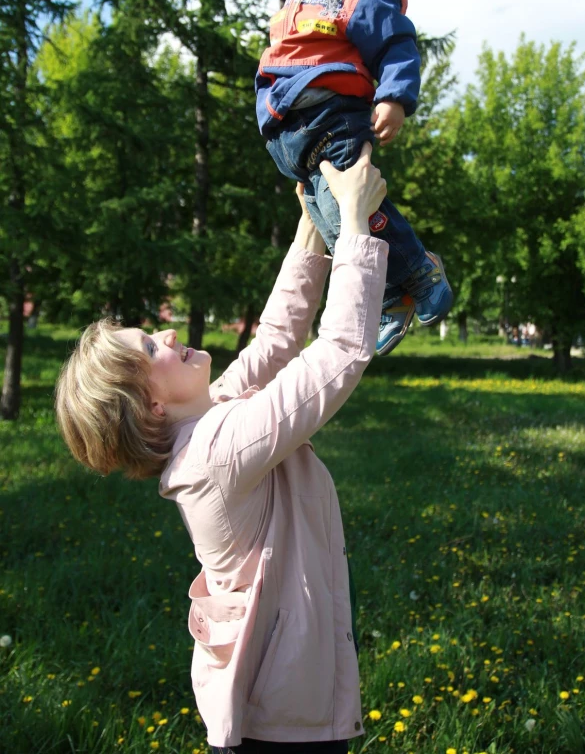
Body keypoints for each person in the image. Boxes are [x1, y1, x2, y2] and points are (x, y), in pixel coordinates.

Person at [56, 145, 388, 752]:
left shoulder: (208, 420)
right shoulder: (216, 453)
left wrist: (311, 229)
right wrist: (358, 224)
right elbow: (338, 352)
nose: (169, 334)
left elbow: (277, 341)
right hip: (284, 728)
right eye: (152, 349)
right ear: (151, 406)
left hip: (284, 704)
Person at [256, 0, 453, 356]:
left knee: (353, 212)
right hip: (295, 137)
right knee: (332, 223)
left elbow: (396, 44)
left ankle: (420, 272)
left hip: (333, 120)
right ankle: (392, 297)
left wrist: (394, 97)